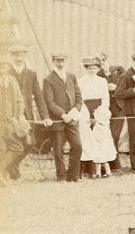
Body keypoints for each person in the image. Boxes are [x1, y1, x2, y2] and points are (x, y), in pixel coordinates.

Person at [7, 42, 50, 179]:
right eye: (16, 55)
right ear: (11, 56)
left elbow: (39, 96)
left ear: (25, 56)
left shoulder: (31, 74)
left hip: (27, 115)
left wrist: (45, 116)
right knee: (12, 144)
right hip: (10, 115)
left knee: (30, 142)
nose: (19, 58)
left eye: (21, 55)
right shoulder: (5, 73)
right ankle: (11, 171)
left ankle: (11, 166)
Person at [42, 53, 83, 182]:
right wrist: (63, 115)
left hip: (72, 119)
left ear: (66, 61)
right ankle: (61, 176)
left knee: (77, 146)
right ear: (53, 61)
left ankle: (73, 175)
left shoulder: (71, 76)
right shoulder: (48, 80)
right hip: (57, 120)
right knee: (58, 150)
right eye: (58, 61)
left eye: (62, 61)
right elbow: (49, 102)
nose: (60, 63)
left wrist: (76, 110)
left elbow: (78, 97)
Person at [77, 57, 110, 177]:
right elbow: (79, 99)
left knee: (99, 139)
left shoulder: (102, 81)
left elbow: (105, 98)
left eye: (94, 68)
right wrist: (84, 114)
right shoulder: (81, 81)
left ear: (98, 69)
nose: (92, 70)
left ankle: (100, 170)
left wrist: (100, 114)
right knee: (86, 139)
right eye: (89, 68)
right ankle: (87, 170)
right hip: (86, 110)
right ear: (86, 69)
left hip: (99, 110)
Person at [0, 54, 30, 186]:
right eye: (0, 66)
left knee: (17, 148)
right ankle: (3, 176)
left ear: (7, 67)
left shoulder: (11, 80)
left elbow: (19, 100)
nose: (2, 69)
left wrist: (19, 116)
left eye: (4, 66)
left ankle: (2, 172)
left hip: (11, 122)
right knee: (3, 149)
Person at [100, 54, 125, 172]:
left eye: (103, 60)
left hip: (118, 107)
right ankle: (106, 164)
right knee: (105, 135)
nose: (102, 63)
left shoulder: (119, 69)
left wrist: (116, 87)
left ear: (107, 59)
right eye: (99, 61)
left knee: (115, 135)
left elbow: (127, 83)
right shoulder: (98, 73)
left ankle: (115, 164)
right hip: (105, 108)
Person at [90, 105, 117, 178]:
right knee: (101, 160)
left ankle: (103, 172)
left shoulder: (100, 126)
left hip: (100, 145)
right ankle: (101, 172)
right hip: (102, 145)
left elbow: (97, 136)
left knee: (100, 159)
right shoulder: (105, 125)